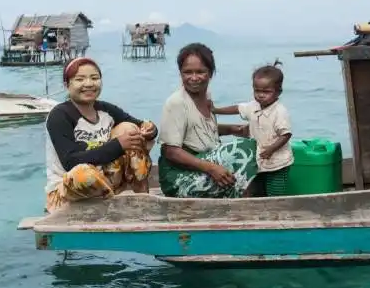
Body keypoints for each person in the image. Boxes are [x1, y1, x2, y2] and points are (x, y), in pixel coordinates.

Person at [44, 57, 158, 212]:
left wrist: (150, 129)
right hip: (67, 195)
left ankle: (142, 197)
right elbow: (70, 161)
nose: (89, 84)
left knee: (130, 130)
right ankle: (111, 207)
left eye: (94, 78)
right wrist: (118, 145)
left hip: (106, 187)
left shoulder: (105, 109)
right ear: (67, 85)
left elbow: (140, 125)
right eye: (80, 79)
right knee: (82, 173)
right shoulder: (59, 116)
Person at [157, 42, 255, 198]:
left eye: (200, 72)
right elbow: (170, 151)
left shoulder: (206, 97)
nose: (194, 78)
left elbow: (198, 128)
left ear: (210, 73)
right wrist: (211, 168)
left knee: (254, 146)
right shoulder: (176, 102)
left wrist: (231, 129)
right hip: (179, 177)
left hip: (203, 163)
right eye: (187, 72)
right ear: (180, 73)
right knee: (246, 151)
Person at [212, 60, 293, 197]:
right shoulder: (253, 105)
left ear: (278, 92)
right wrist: (216, 110)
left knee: (276, 193)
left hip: (278, 162)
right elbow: (237, 108)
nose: (260, 95)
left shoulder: (279, 111)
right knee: (257, 191)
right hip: (258, 160)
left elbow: (286, 134)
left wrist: (271, 149)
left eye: (266, 92)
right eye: (257, 91)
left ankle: (276, 215)